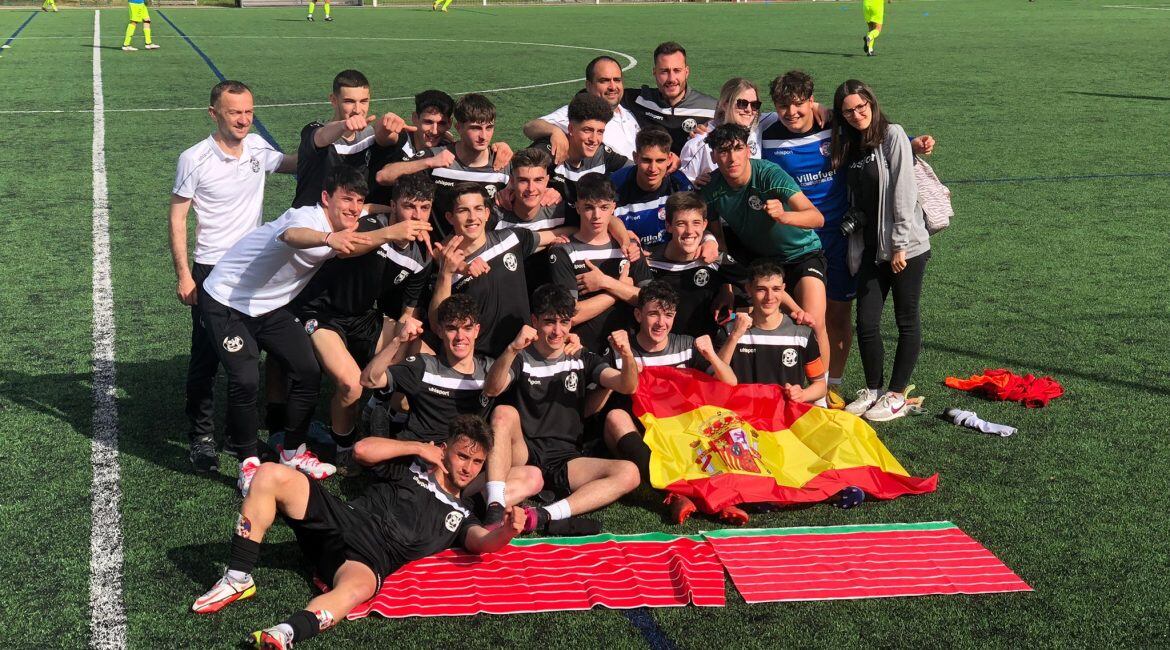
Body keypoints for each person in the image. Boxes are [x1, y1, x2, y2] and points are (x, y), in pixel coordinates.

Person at [191, 415, 526, 649]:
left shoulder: (461, 513)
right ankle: (238, 578)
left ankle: (285, 633)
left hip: (368, 560)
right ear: (444, 449)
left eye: (476, 463)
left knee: (359, 589)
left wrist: (508, 530)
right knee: (268, 474)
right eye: (462, 456)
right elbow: (363, 451)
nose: (468, 468)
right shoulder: (411, 467)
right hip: (344, 519)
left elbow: (483, 543)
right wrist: (418, 448)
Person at [201, 166, 425, 496]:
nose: (353, 207)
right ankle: (248, 463)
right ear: (325, 198)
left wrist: (387, 211)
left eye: (358, 201)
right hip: (226, 301)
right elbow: (292, 237)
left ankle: (292, 451)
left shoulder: (348, 214)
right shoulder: (304, 219)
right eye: (345, 199)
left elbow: (365, 211)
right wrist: (328, 239)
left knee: (307, 370)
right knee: (246, 378)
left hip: (267, 308)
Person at [760, 70, 935, 409]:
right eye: (783, 106)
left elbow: (874, 136)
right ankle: (789, 380)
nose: (791, 113)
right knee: (789, 313)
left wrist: (912, 141)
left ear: (813, 101)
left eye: (799, 104)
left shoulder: (834, 126)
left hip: (840, 239)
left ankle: (830, 385)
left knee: (839, 316)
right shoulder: (764, 133)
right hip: (792, 241)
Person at [170, 80, 297, 472]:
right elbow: (177, 217)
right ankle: (201, 437)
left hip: (253, 269)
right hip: (210, 272)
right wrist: (184, 275)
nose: (243, 119)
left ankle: (238, 433)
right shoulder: (194, 158)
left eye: (248, 112)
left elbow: (294, 163)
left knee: (249, 354)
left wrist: (340, 141)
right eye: (234, 112)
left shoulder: (258, 146)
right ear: (214, 114)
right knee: (206, 357)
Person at [288, 174, 434, 464]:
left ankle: (383, 408)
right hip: (321, 314)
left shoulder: (423, 256)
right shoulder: (369, 226)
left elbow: (408, 310)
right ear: (393, 206)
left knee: (426, 361)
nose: (415, 216)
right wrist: (392, 231)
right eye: (408, 207)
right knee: (351, 385)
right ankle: (343, 448)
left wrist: (406, 328)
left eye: (424, 208)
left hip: (365, 316)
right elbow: (346, 250)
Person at [483, 284, 642, 534]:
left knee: (630, 473)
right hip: (525, 454)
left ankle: (545, 515)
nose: (557, 330)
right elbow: (492, 389)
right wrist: (512, 349)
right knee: (504, 412)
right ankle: (494, 507)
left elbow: (626, 385)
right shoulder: (521, 356)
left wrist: (627, 354)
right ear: (534, 321)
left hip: (566, 459)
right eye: (549, 322)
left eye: (564, 322)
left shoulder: (581, 357)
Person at [700, 123, 832, 405]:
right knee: (760, 321)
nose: (732, 158)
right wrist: (726, 284)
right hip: (765, 265)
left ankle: (819, 393)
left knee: (812, 319)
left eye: (737, 149)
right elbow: (719, 246)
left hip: (803, 253)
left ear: (748, 150)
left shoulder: (769, 174)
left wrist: (783, 215)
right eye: (723, 151)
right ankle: (760, 387)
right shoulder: (712, 190)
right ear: (713, 156)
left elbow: (816, 218)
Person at [831, 80, 931, 422]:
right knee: (867, 321)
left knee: (906, 319)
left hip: (907, 249)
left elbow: (903, 191)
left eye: (862, 107)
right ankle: (873, 390)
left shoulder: (892, 134)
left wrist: (900, 244)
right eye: (849, 111)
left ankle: (896, 394)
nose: (858, 115)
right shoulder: (852, 144)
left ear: (873, 104)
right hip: (872, 249)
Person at [601, 281, 737, 524]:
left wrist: (712, 356)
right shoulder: (622, 348)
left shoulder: (686, 345)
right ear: (638, 314)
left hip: (681, 433)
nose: (660, 323)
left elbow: (729, 384)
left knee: (722, 418)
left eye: (668, 315)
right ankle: (672, 495)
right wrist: (626, 363)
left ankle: (722, 498)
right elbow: (596, 404)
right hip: (641, 436)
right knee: (614, 417)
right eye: (653, 314)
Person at [428, 184, 564, 356]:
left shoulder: (510, 239)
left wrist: (576, 237)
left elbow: (554, 235)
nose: (472, 217)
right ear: (449, 217)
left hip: (523, 354)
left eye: (478, 209)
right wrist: (446, 273)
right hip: (479, 362)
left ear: (486, 214)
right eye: (463, 210)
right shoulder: (446, 265)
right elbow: (436, 324)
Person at [361, 294, 497, 445]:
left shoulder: (491, 370)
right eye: (452, 328)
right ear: (439, 331)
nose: (460, 336)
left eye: (467, 328)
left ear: (477, 330)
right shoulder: (424, 366)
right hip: (419, 456)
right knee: (362, 450)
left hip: (465, 459)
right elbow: (368, 379)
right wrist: (398, 340)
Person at [382, 93, 512, 239]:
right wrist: (429, 162)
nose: (484, 136)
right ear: (458, 127)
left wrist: (543, 194)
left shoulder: (503, 162)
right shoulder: (437, 157)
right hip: (439, 252)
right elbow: (383, 176)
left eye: (489, 127)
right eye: (475, 128)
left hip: (487, 254)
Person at [548, 174, 651, 353]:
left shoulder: (629, 249)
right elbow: (570, 315)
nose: (597, 215)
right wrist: (617, 291)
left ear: (613, 208)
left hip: (629, 353)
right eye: (589, 207)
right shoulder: (563, 250)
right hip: (583, 352)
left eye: (604, 207)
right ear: (577, 207)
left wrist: (606, 282)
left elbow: (652, 302)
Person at [291, 70, 412, 210]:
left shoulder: (369, 135)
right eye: (349, 102)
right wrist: (343, 125)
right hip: (310, 219)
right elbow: (322, 136)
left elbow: (386, 141)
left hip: (350, 217)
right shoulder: (313, 130)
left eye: (364, 101)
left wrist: (390, 126)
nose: (358, 109)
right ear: (333, 100)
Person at [716, 261, 827, 404]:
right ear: (748, 289)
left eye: (776, 289)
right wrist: (735, 336)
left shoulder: (801, 334)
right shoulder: (730, 330)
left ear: (783, 289)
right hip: (742, 416)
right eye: (761, 289)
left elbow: (820, 385)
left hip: (783, 419)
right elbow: (715, 375)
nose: (769, 297)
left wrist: (802, 395)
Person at [641, 192, 729, 339]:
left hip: (704, 354)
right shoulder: (649, 261)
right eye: (681, 223)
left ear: (705, 224)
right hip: (659, 353)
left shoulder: (714, 259)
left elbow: (754, 283)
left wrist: (728, 290)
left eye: (696, 223)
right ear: (668, 226)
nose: (689, 231)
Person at [523, 56, 640, 160]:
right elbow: (530, 127)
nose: (613, 87)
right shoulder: (578, 112)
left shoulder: (630, 114)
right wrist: (555, 131)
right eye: (604, 81)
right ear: (589, 86)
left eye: (617, 80)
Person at [621, 42, 716, 156]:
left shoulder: (711, 109)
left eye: (677, 70)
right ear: (654, 72)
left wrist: (712, 136)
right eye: (664, 71)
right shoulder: (638, 100)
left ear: (686, 72)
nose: (671, 78)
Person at [368, 90, 456, 205]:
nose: (434, 130)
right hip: (378, 214)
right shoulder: (400, 138)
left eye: (441, 123)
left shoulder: (446, 146)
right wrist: (385, 121)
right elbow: (383, 135)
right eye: (428, 122)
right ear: (415, 118)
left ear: (449, 123)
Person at [611, 127, 695, 249]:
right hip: (630, 258)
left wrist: (710, 240)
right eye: (646, 160)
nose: (653, 169)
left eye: (660, 160)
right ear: (635, 157)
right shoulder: (614, 184)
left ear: (670, 159)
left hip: (670, 257)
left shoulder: (678, 183)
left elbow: (696, 224)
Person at [544, 93, 630, 208]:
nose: (594, 140)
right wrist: (538, 191)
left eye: (600, 132)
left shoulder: (602, 153)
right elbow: (518, 178)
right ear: (571, 128)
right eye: (587, 130)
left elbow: (637, 170)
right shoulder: (550, 152)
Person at [679, 78, 763, 186]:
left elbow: (788, 117)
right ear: (724, 105)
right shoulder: (699, 143)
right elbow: (680, 185)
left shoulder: (759, 126)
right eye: (742, 103)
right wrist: (694, 184)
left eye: (755, 105)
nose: (749, 110)